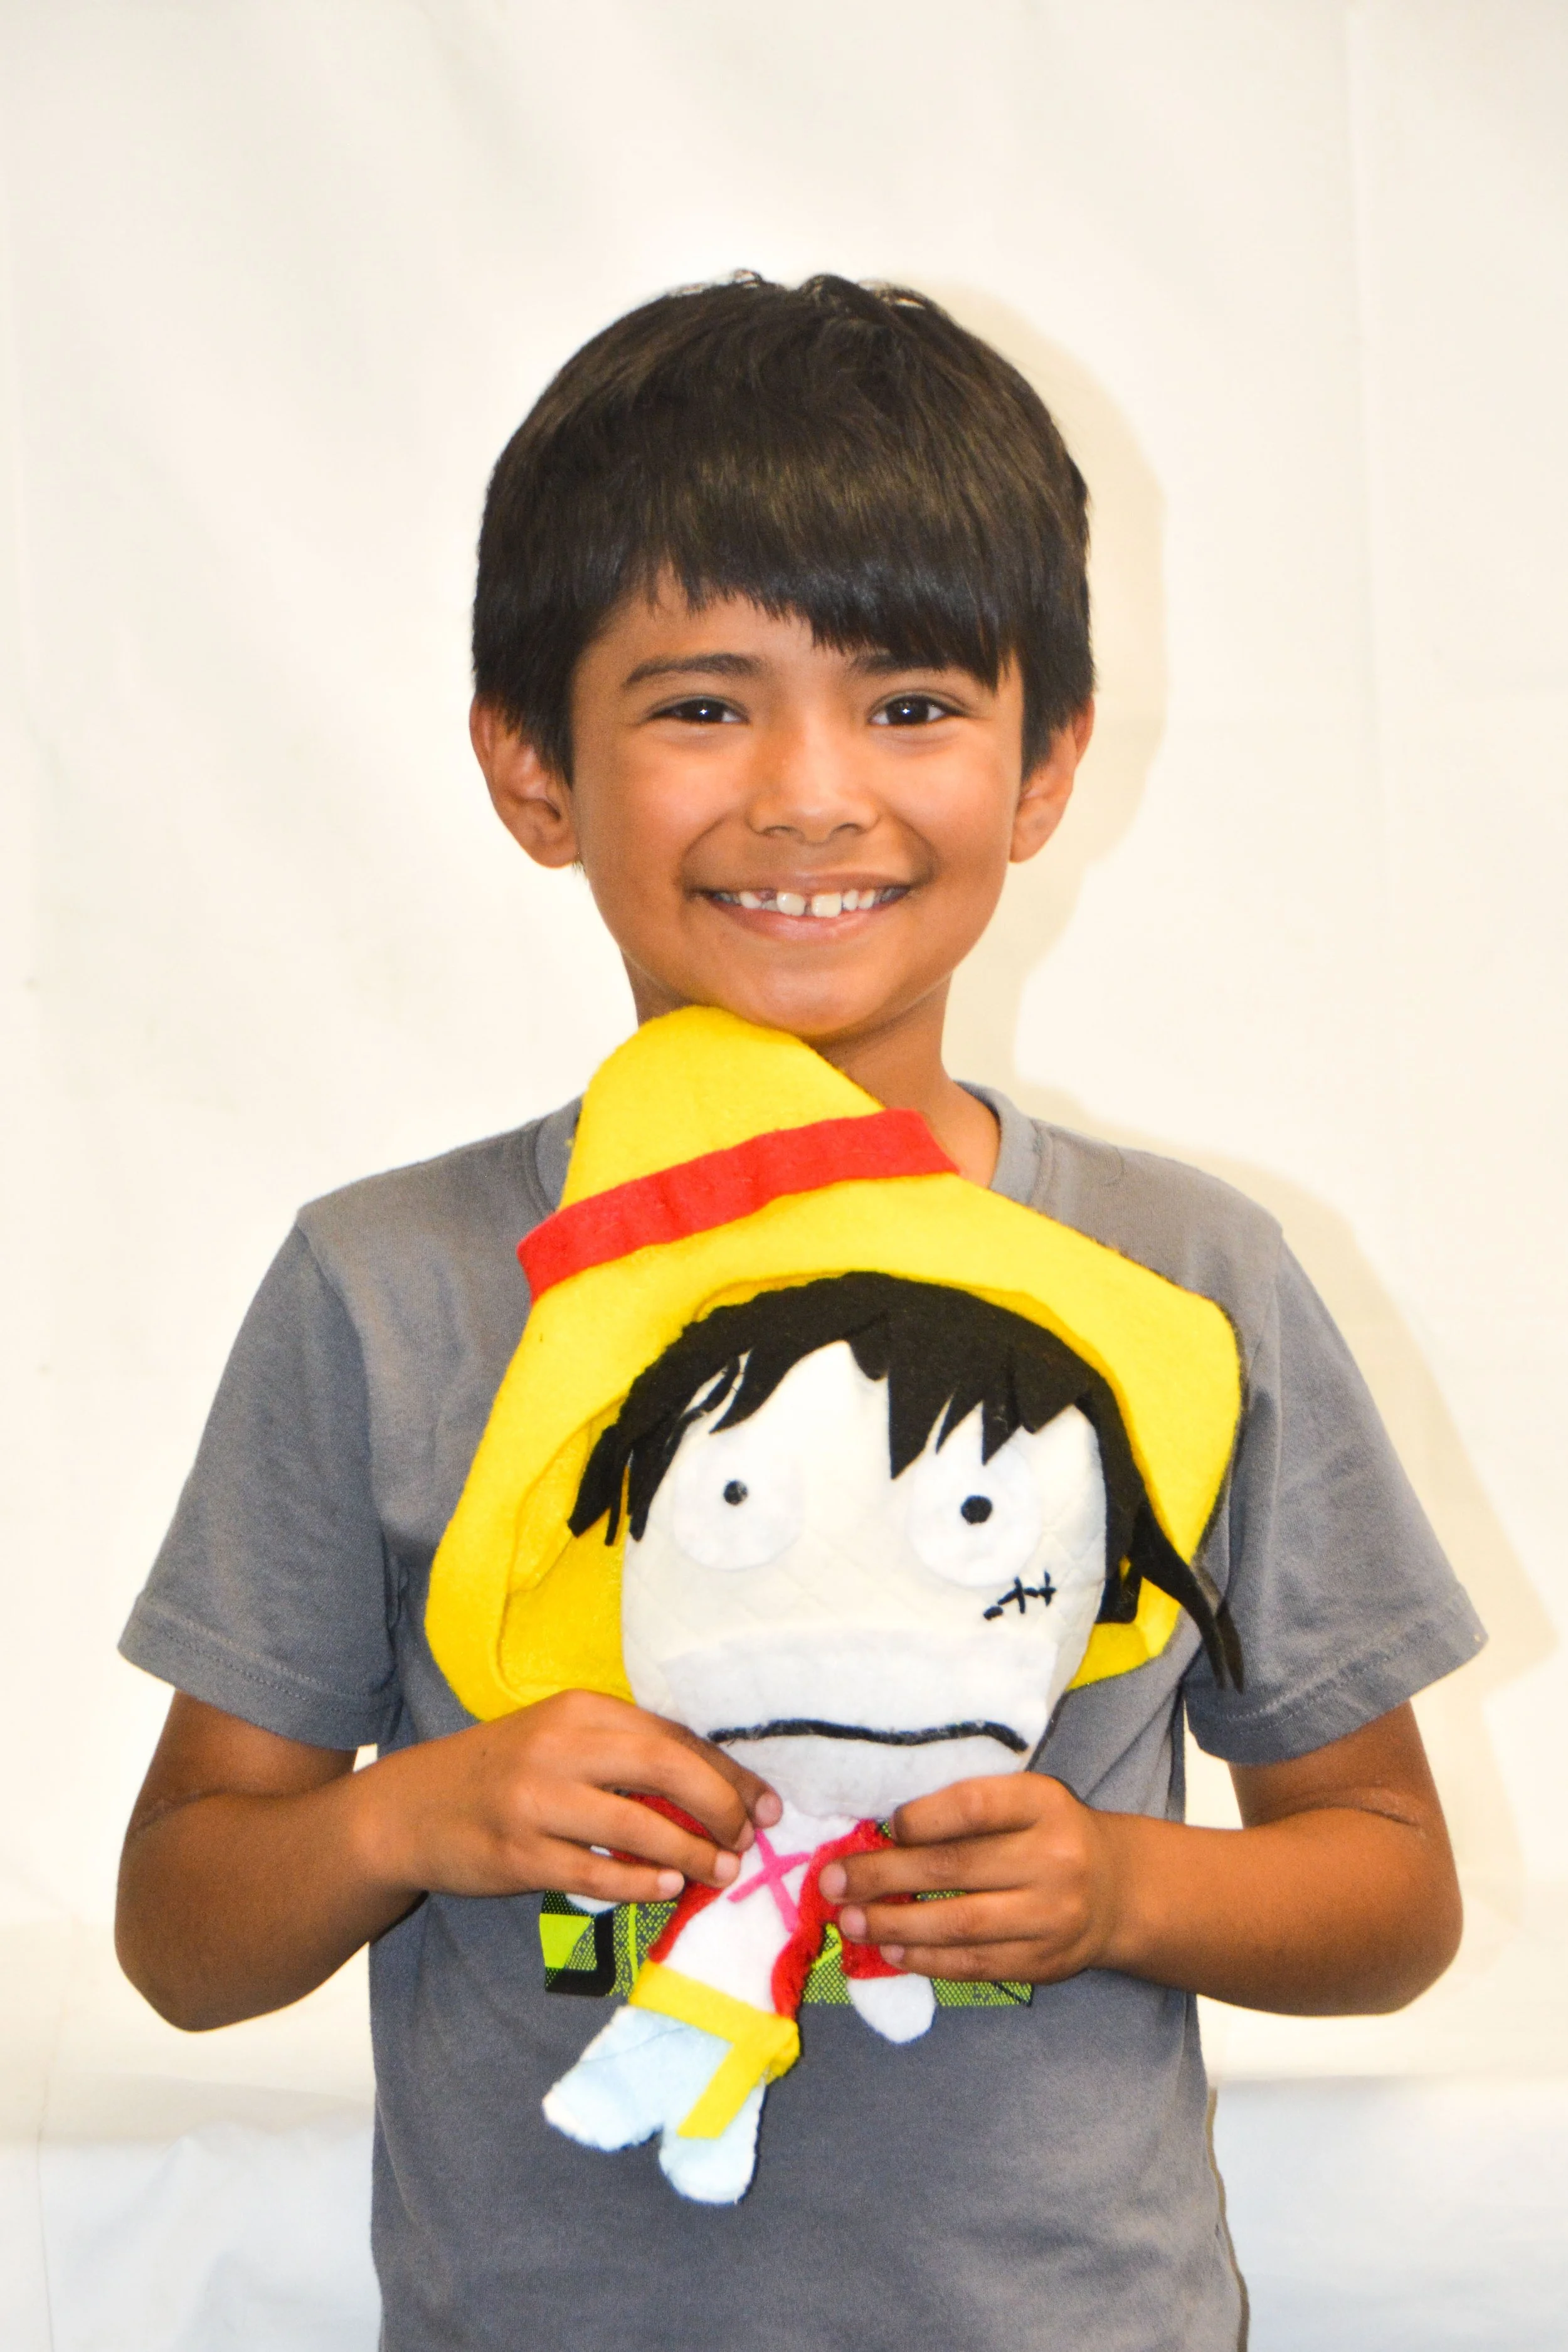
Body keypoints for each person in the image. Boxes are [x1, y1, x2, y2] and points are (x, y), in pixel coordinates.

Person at [115, 274, 1483, 2351]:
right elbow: (184, 1933)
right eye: (697, 701)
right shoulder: (383, 1283)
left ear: (1046, 768)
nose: (809, 789)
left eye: (911, 702)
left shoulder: (1186, 1280)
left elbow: (1385, 1884)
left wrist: (1120, 1890)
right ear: (528, 767)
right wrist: (416, 1811)